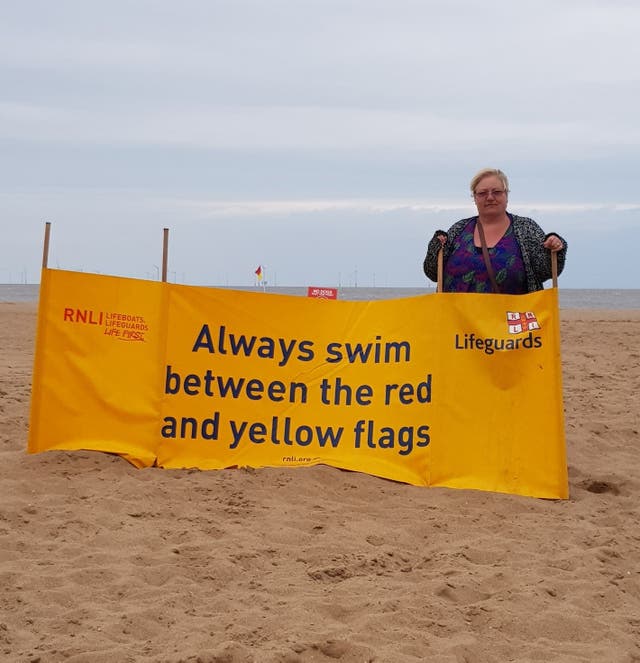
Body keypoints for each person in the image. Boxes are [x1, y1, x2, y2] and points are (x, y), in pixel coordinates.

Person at [423, 168, 567, 293]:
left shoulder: (526, 228)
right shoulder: (459, 229)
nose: (490, 197)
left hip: (509, 321)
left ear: (506, 195)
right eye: (482, 193)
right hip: (458, 322)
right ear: (474, 197)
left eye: (497, 192)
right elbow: (433, 273)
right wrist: (435, 247)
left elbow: (546, 271)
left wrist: (554, 245)